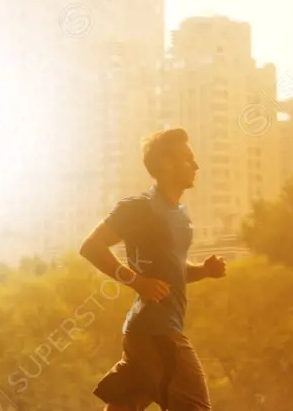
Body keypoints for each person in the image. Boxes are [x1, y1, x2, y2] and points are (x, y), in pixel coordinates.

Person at [79, 128, 226, 410]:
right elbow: (91, 247)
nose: (196, 166)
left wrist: (203, 271)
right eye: (188, 158)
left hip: (144, 334)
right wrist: (135, 281)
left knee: (125, 406)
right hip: (157, 332)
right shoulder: (139, 209)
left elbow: (171, 272)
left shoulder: (180, 213)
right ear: (167, 163)